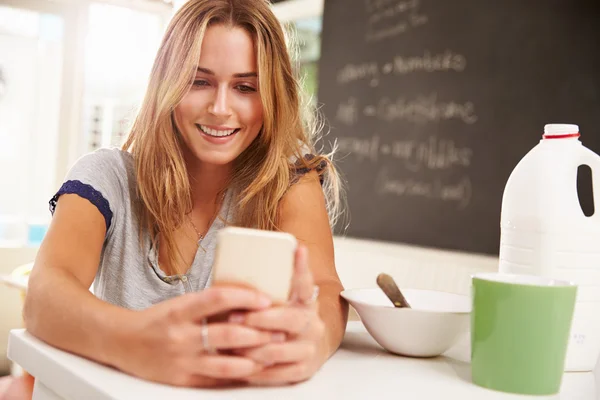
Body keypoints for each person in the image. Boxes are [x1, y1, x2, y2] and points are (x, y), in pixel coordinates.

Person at [23, 0, 348, 388]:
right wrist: (136, 342)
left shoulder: (289, 178)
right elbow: (44, 295)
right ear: (168, 83)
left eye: (245, 87)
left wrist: (317, 338)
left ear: (272, 97)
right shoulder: (107, 177)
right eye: (199, 81)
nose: (220, 108)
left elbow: (326, 290)